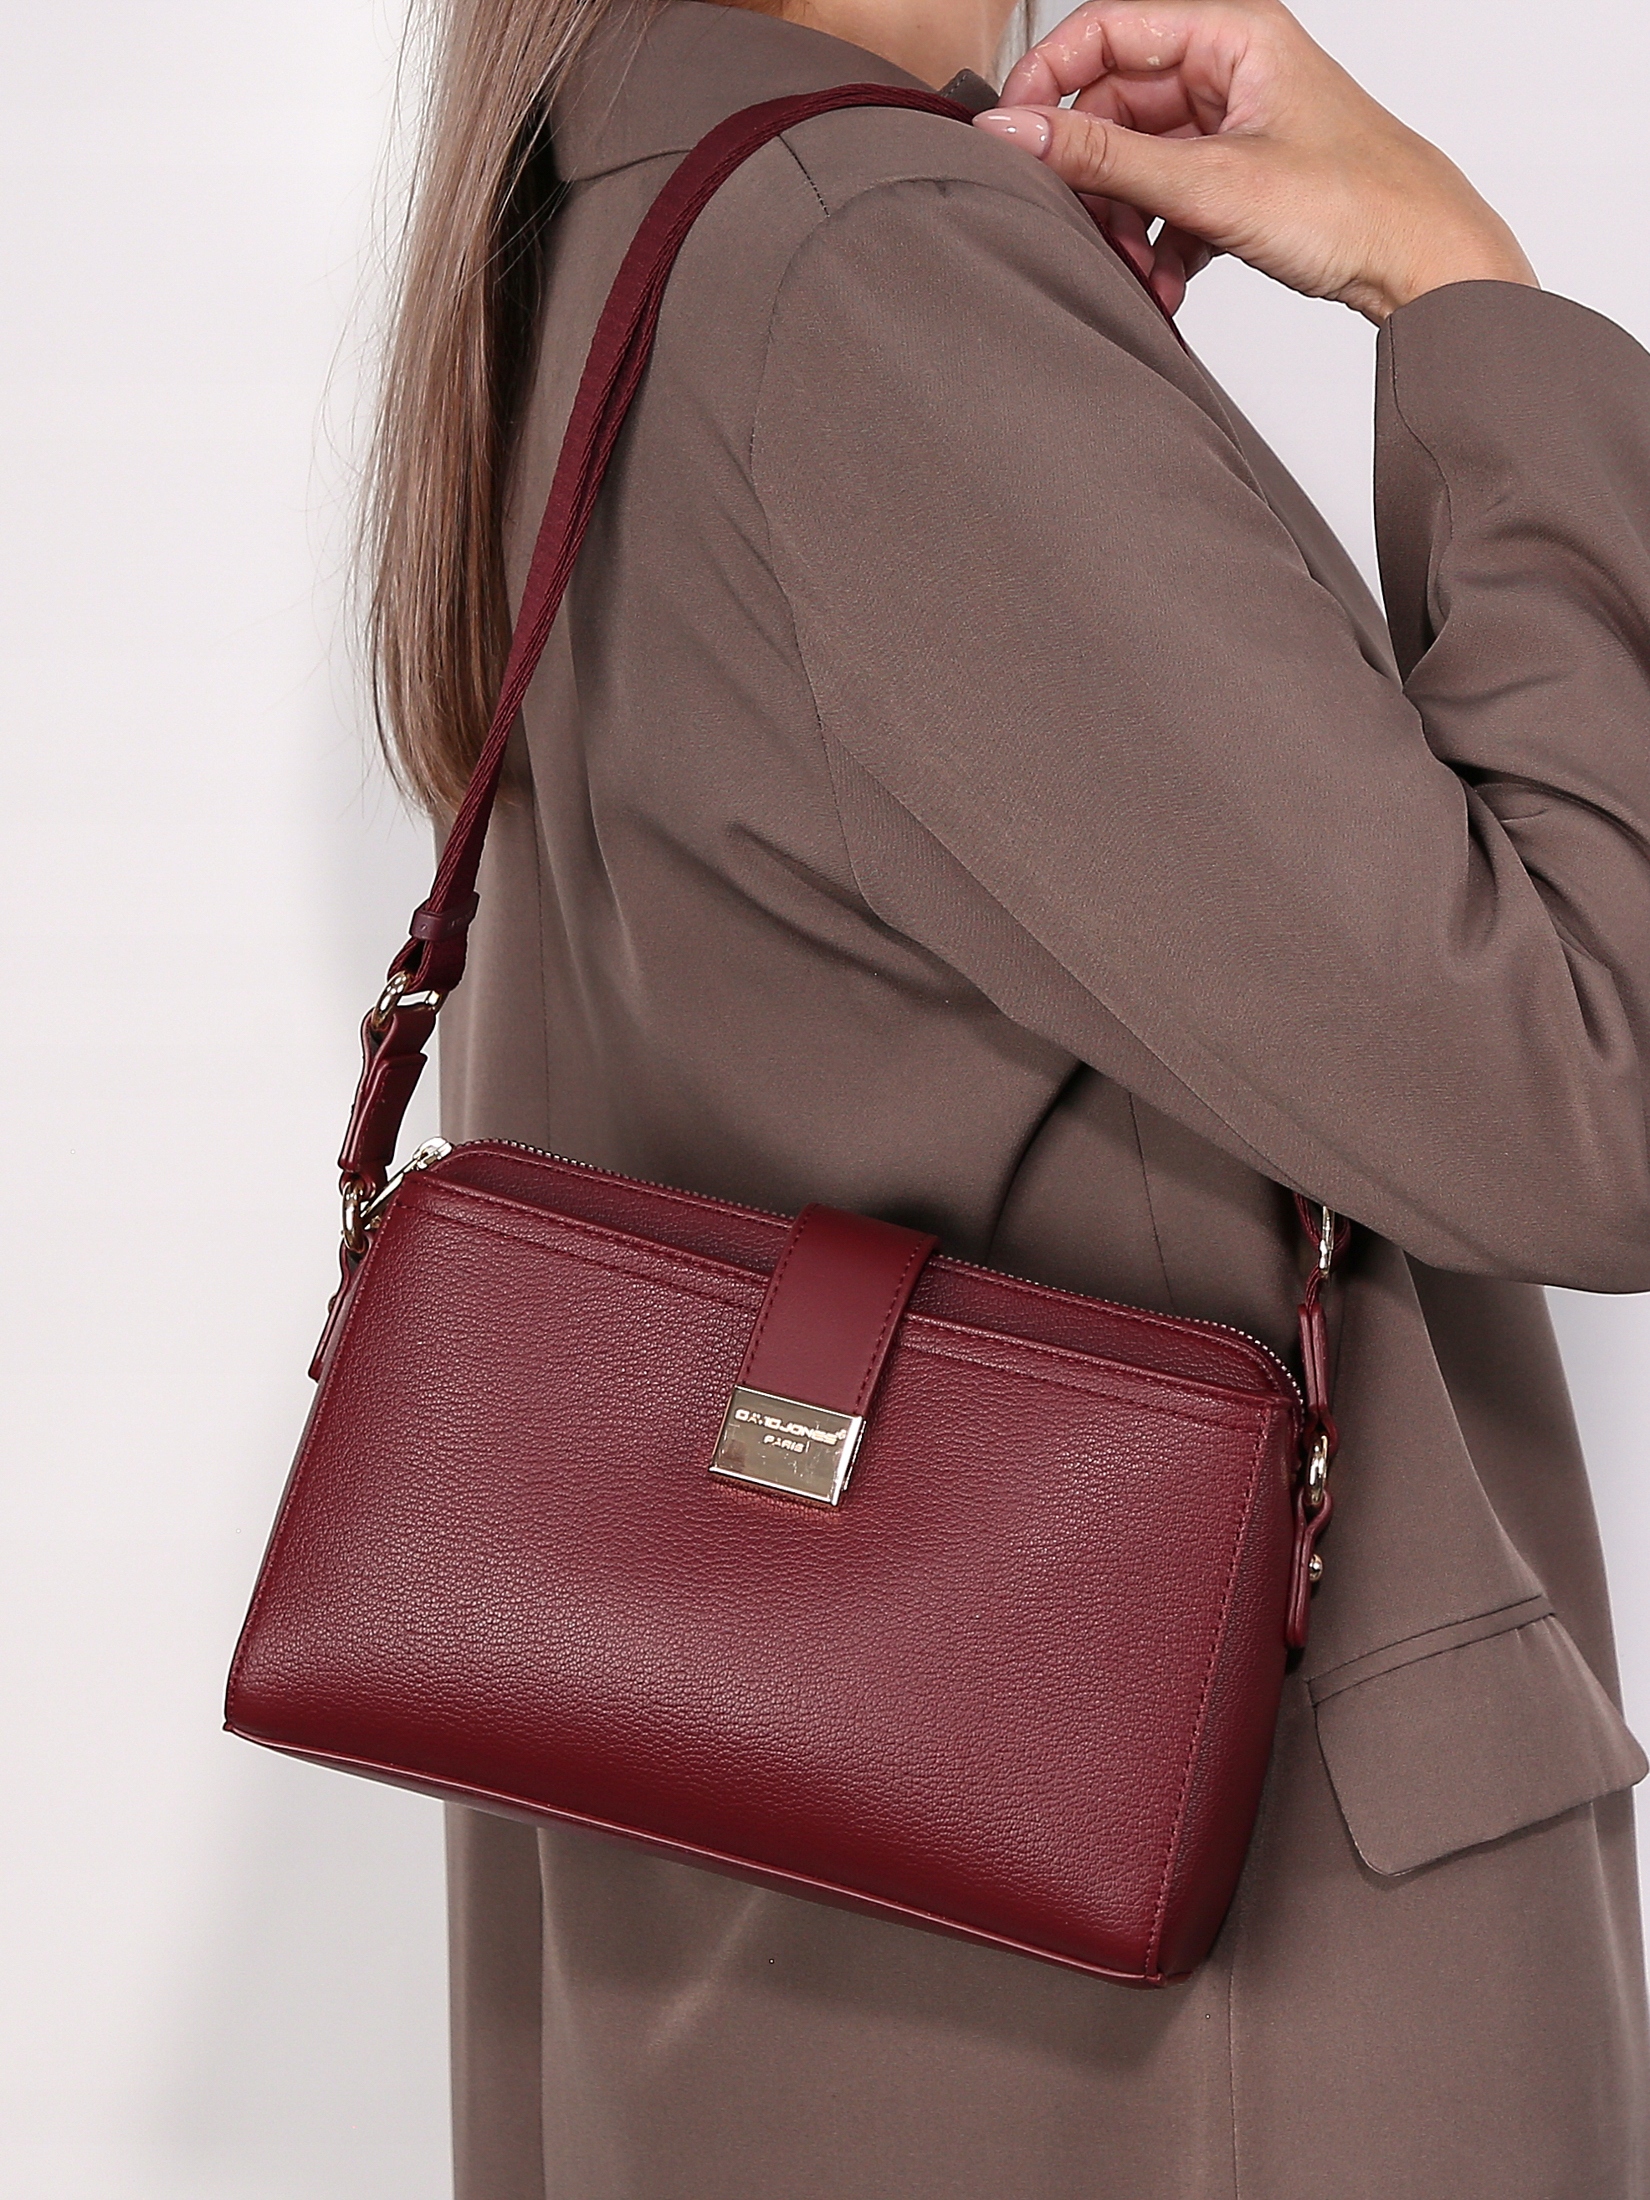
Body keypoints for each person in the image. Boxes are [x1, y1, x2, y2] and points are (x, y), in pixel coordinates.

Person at [362, 0, 1650, 2190]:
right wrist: (1456, 280)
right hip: (1210, 2024)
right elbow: (1590, 1091)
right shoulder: (854, 265)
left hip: (850, 2010)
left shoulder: (618, 221)